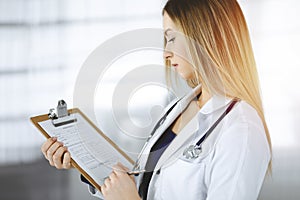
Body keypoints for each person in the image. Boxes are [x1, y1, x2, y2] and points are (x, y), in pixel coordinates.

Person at [41, 0, 272, 199]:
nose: (166, 53)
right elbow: (146, 185)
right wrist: (85, 162)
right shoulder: (181, 106)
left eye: (171, 38)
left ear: (204, 35)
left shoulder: (241, 129)